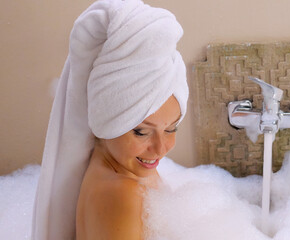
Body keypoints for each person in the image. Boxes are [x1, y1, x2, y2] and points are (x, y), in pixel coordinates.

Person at [31, 0, 188, 239]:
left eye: (171, 128)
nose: (161, 148)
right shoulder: (122, 195)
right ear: (107, 120)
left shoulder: (127, 168)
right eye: (142, 132)